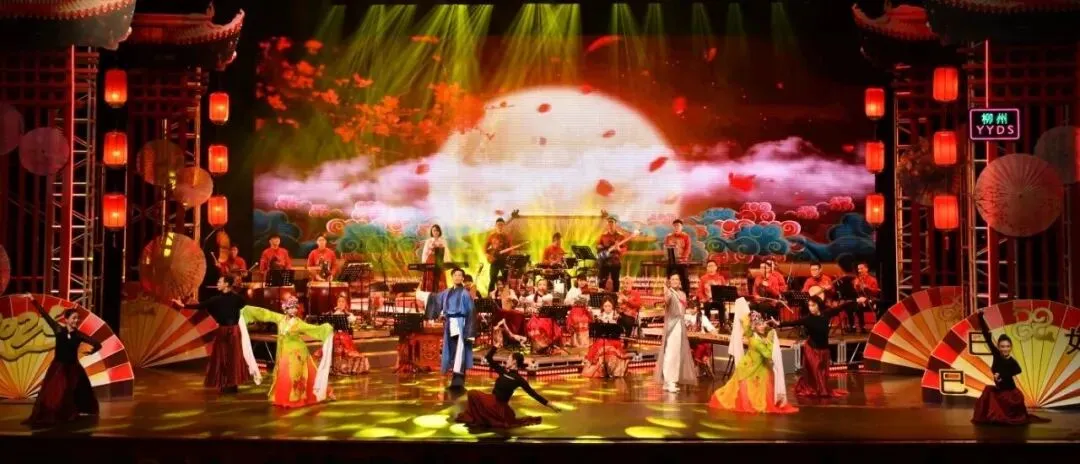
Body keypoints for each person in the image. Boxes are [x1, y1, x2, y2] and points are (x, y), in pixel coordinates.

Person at [19, 295, 101, 428]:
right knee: (54, 393)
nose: (76, 320)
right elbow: (45, 315)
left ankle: (69, 414)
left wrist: (91, 352)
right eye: (73, 318)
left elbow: (97, 343)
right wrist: (32, 299)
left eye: (77, 318)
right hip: (59, 367)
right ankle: (54, 414)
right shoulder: (58, 330)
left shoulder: (78, 335)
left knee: (70, 392)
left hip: (73, 368)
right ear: (66, 319)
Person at [239, 296, 334, 407]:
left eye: (295, 308)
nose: (294, 310)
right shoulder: (280, 318)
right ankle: (283, 398)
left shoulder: (299, 323)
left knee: (296, 376)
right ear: (285, 309)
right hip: (284, 352)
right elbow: (266, 313)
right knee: (283, 376)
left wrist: (326, 329)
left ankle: (297, 399)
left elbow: (313, 329)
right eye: (291, 308)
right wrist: (248, 310)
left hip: (297, 353)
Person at [709, 299, 797, 414]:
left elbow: (746, 321)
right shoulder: (756, 340)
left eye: (762, 323)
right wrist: (770, 341)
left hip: (755, 365)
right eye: (759, 325)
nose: (762, 326)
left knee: (757, 386)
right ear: (754, 327)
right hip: (752, 367)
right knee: (749, 387)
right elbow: (767, 354)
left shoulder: (754, 334)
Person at [171, 275, 250, 393]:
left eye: (220, 282)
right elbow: (200, 306)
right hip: (222, 330)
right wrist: (184, 305)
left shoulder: (237, 298)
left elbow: (244, 306)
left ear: (226, 284)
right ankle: (223, 383)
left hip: (234, 330)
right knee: (221, 356)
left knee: (234, 356)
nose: (217, 283)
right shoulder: (216, 300)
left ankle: (233, 383)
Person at [971, 311, 1048, 425]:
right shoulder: (997, 355)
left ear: (1010, 347)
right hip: (999, 391)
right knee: (988, 394)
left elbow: (1018, 370)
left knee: (1007, 413)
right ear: (998, 347)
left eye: (1007, 346)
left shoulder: (1012, 361)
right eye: (1002, 346)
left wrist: (1001, 375)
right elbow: (987, 336)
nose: (1005, 349)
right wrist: (981, 319)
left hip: (1010, 393)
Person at [456, 347, 558, 429]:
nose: (506, 361)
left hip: (500, 407)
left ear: (514, 362)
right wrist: (495, 347)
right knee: (472, 394)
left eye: (508, 359)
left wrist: (550, 405)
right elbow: (488, 357)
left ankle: (483, 419)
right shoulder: (503, 372)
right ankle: (482, 419)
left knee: (473, 393)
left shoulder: (518, 379)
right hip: (492, 401)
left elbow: (533, 394)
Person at [773, 296, 847, 398]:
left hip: (824, 349)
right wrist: (779, 323)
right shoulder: (808, 319)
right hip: (812, 349)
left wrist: (856, 301)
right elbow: (794, 322)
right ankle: (821, 391)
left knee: (823, 373)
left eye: (813, 305)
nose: (811, 308)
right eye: (809, 306)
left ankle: (820, 388)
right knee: (816, 371)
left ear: (818, 305)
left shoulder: (826, 314)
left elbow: (840, 308)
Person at [417, 268, 476, 390]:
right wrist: (420, 294)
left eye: (460, 275)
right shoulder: (447, 292)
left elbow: (471, 312)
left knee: (460, 352)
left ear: (463, 278)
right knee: (452, 352)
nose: (457, 277)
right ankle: (454, 382)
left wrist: (469, 331)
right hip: (450, 324)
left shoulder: (465, 294)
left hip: (461, 324)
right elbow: (434, 298)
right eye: (455, 275)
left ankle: (459, 382)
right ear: (452, 277)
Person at [656, 274, 697, 393]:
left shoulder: (682, 294)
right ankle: (669, 381)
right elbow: (667, 301)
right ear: (669, 281)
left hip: (680, 325)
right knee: (670, 353)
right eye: (672, 279)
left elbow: (682, 310)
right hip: (671, 326)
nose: (674, 281)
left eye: (676, 279)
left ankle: (670, 381)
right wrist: (666, 291)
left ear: (680, 282)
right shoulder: (669, 293)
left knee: (677, 353)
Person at [582, 297, 630, 378]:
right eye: (605, 306)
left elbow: (623, 330)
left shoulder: (618, 317)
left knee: (607, 345)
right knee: (599, 343)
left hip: (614, 339)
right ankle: (598, 366)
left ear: (612, 306)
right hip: (602, 339)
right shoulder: (599, 317)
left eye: (609, 306)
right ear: (603, 307)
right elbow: (596, 332)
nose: (607, 308)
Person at [328, 294, 369, 376]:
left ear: (346, 303)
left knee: (349, 352)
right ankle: (336, 367)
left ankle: (348, 368)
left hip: (345, 337)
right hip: (336, 336)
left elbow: (352, 320)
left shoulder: (349, 314)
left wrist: (345, 312)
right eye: (339, 301)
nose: (340, 303)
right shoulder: (335, 314)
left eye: (343, 302)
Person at [524, 280, 564, 355]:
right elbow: (526, 310)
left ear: (547, 287)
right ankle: (538, 348)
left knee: (552, 327)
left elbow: (552, 308)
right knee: (536, 326)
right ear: (536, 286)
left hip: (548, 319)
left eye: (544, 285)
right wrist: (532, 310)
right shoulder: (530, 298)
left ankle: (547, 348)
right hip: (536, 319)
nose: (542, 286)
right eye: (540, 284)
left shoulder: (549, 297)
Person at [685, 303, 718, 377]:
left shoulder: (702, 317)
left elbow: (711, 328)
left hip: (699, 341)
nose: (689, 311)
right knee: (700, 347)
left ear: (695, 308)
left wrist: (714, 332)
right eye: (689, 309)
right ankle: (701, 366)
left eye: (691, 309)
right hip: (690, 341)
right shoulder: (687, 317)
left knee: (703, 346)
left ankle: (701, 366)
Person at [596, 217, 626, 293]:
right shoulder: (603, 236)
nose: (610, 224)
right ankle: (600, 296)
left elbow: (624, 249)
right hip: (604, 262)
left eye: (612, 222)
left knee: (616, 280)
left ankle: (616, 296)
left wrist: (618, 248)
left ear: (615, 224)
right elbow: (598, 247)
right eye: (609, 223)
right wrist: (603, 248)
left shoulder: (621, 236)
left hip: (615, 262)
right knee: (602, 280)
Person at [563, 274, 593, 348]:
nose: (582, 282)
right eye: (580, 280)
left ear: (586, 281)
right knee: (577, 319)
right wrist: (574, 299)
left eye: (583, 280)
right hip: (575, 310)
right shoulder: (573, 290)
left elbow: (587, 303)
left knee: (587, 319)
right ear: (577, 281)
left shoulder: (587, 291)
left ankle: (584, 341)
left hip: (584, 310)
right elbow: (566, 301)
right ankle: (576, 342)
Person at [664, 219, 692, 295]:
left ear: (681, 227)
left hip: (682, 262)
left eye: (678, 226)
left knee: (684, 279)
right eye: (675, 226)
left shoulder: (686, 236)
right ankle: (669, 295)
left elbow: (688, 249)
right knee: (669, 278)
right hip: (671, 261)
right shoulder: (669, 237)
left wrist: (683, 258)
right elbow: (666, 248)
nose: (676, 227)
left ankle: (686, 296)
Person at [485, 218, 513, 292]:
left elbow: (511, 249)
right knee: (492, 279)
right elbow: (485, 248)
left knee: (505, 279)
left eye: (502, 225)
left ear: (504, 226)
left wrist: (507, 255)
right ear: (496, 226)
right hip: (494, 261)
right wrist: (488, 255)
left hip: (504, 261)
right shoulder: (491, 236)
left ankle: (506, 294)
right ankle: (490, 296)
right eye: (498, 225)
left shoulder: (507, 237)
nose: (500, 226)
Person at [420, 224, 449, 292]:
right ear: (432, 232)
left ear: (439, 232)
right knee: (430, 275)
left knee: (440, 276)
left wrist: (447, 261)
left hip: (439, 260)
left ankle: (441, 292)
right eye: (434, 230)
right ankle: (429, 292)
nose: (436, 232)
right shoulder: (429, 241)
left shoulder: (443, 241)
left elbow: (446, 252)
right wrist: (424, 262)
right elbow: (425, 252)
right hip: (430, 260)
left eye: (437, 230)